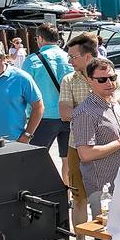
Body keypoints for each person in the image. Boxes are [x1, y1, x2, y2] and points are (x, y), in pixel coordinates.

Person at [71, 57, 120, 217]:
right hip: (102, 189)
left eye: (112, 78)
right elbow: (85, 154)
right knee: (104, 236)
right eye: (102, 80)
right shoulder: (85, 113)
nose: (109, 83)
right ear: (89, 80)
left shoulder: (113, 103)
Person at [22, 23, 74, 181]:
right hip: (69, 115)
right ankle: (68, 195)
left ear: (39, 38)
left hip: (44, 118)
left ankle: (43, 194)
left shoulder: (32, 61)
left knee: (36, 160)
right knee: (68, 160)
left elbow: (24, 91)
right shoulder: (69, 58)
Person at [62, 33, 101, 236]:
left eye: (73, 57)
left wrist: (81, 111)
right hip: (76, 146)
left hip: (106, 146)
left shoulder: (108, 74)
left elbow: (115, 101)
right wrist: (94, 108)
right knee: (79, 198)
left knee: (102, 196)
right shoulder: (69, 79)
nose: (69, 61)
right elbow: (65, 113)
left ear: (87, 57)